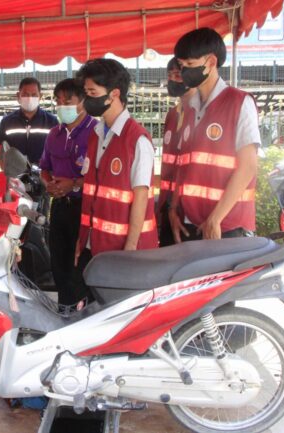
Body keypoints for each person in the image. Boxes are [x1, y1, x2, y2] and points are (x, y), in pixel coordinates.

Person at [72, 58, 158, 303]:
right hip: (95, 245)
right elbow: (93, 192)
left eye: (92, 93)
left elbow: (141, 195)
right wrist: (83, 239)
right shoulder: (96, 135)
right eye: (86, 93)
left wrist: (130, 247)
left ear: (115, 93)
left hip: (126, 251)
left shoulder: (137, 140)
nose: (87, 99)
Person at [168, 28, 260, 242]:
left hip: (226, 226)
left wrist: (215, 219)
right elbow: (185, 165)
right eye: (182, 66)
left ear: (210, 62)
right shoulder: (190, 108)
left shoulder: (239, 103)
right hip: (190, 223)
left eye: (189, 65)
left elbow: (248, 167)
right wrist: (174, 208)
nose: (183, 73)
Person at [39, 78, 96, 305]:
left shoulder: (96, 132)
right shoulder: (54, 134)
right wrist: (49, 185)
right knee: (59, 261)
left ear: (82, 101)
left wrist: (73, 184)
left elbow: (99, 175)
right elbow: (45, 168)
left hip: (85, 207)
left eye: (68, 100)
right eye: (58, 100)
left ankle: (85, 309)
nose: (62, 105)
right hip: (60, 205)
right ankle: (64, 308)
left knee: (81, 262)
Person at [156, 58, 195, 247]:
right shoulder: (172, 115)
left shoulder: (202, 114)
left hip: (190, 210)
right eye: (169, 75)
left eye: (177, 75)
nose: (172, 80)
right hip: (168, 204)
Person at [0, 77, 58, 167]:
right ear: (18, 96)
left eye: (34, 95)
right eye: (25, 94)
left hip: (44, 177)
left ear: (40, 96)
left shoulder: (52, 121)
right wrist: (6, 171)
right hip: (15, 177)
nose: (30, 98)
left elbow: (58, 150)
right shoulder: (6, 122)